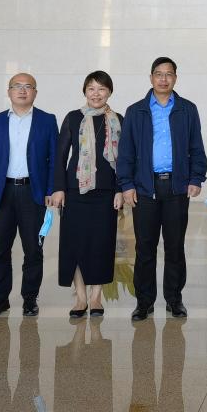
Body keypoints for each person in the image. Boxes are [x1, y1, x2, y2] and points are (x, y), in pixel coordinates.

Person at [118, 57, 207, 321]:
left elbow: (196, 147)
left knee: (175, 247)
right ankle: (144, 302)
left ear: (175, 78)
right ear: (151, 77)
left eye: (169, 74)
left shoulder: (187, 109)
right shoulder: (136, 111)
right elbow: (126, 152)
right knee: (144, 247)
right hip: (145, 187)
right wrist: (127, 184)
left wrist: (196, 178)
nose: (164, 79)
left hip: (176, 187)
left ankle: (174, 299)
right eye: (159, 74)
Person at [0, 73, 58, 318]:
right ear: (9, 91)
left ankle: (29, 299)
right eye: (17, 86)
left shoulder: (47, 120)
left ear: (35, 92)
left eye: (28, 87)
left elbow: (54, 160)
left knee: (33, 249)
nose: (22, 91)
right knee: (0, 249)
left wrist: (50, 190)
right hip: (2, 193)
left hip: (33, 193)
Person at [49, 70, 124, 318]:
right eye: (91, 88)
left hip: (106, 192)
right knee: (75, 245)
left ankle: (96, 296)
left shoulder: (118, 120)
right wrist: (58, 188)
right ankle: (81, 297)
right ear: (84, 91)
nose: (96, 94)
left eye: (101, 89)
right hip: (75, 191)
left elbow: (124, 160)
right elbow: (60, 156)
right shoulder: (73, 118)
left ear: (109, 92)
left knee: (101, 244)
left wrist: (120, 189)